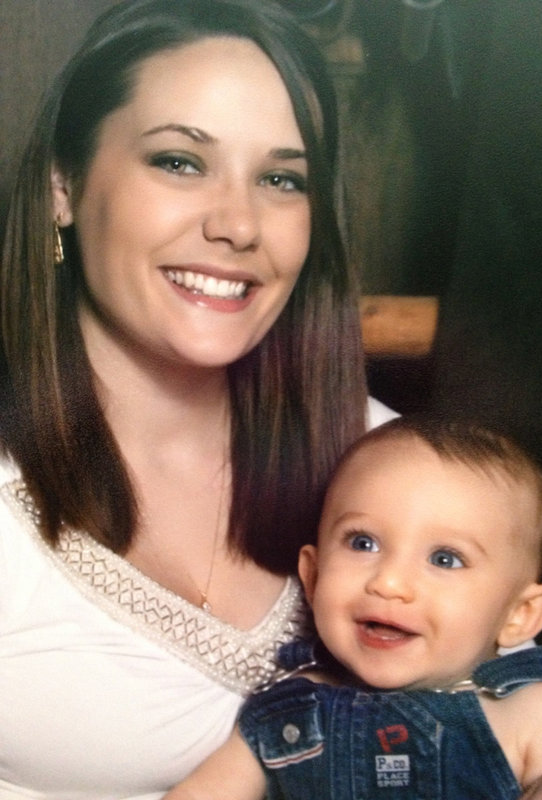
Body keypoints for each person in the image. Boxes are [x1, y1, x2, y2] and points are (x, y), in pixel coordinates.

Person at [0, 0, 397, 797]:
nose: (239, 225)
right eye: (180, 161)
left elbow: (521, 707)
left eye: (283, 179)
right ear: (62, 189)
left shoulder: (388, 459)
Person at [164, 416, 542, 800]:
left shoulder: (537, 714)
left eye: (444, 558)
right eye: (363, 542)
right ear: (313, 578)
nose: (389, 583)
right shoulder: (287, 710)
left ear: (519, 615)